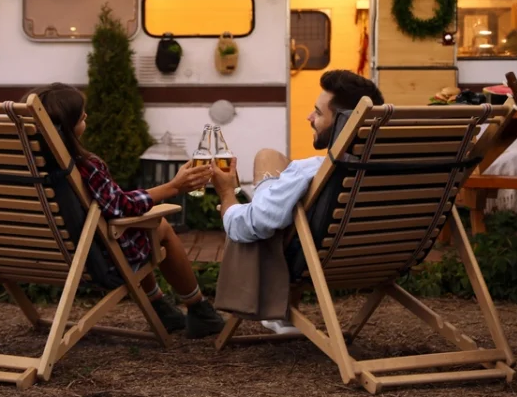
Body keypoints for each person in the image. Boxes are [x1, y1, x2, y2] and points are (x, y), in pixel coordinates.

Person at [25, 83, 225, 339]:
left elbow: (111, 204)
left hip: (30, 256)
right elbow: (119, 207)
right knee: (157, 226)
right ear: (64, 126)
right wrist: (174, 187)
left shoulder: (24, 166)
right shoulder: (82, 167)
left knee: (137, 231)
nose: (85, 115)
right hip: (91, 261)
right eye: (80, 115)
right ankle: (199, 309)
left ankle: (160, 307)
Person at [211, 70, 384, 334]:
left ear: (341, 124)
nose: (309, 117)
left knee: (257, 207)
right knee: (269, 157)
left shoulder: (310, 171)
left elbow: (247, 228)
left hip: (314, 257)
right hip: (380, 255)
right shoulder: (392, 171)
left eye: (318, 112)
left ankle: (276, 311)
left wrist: (227, 195)